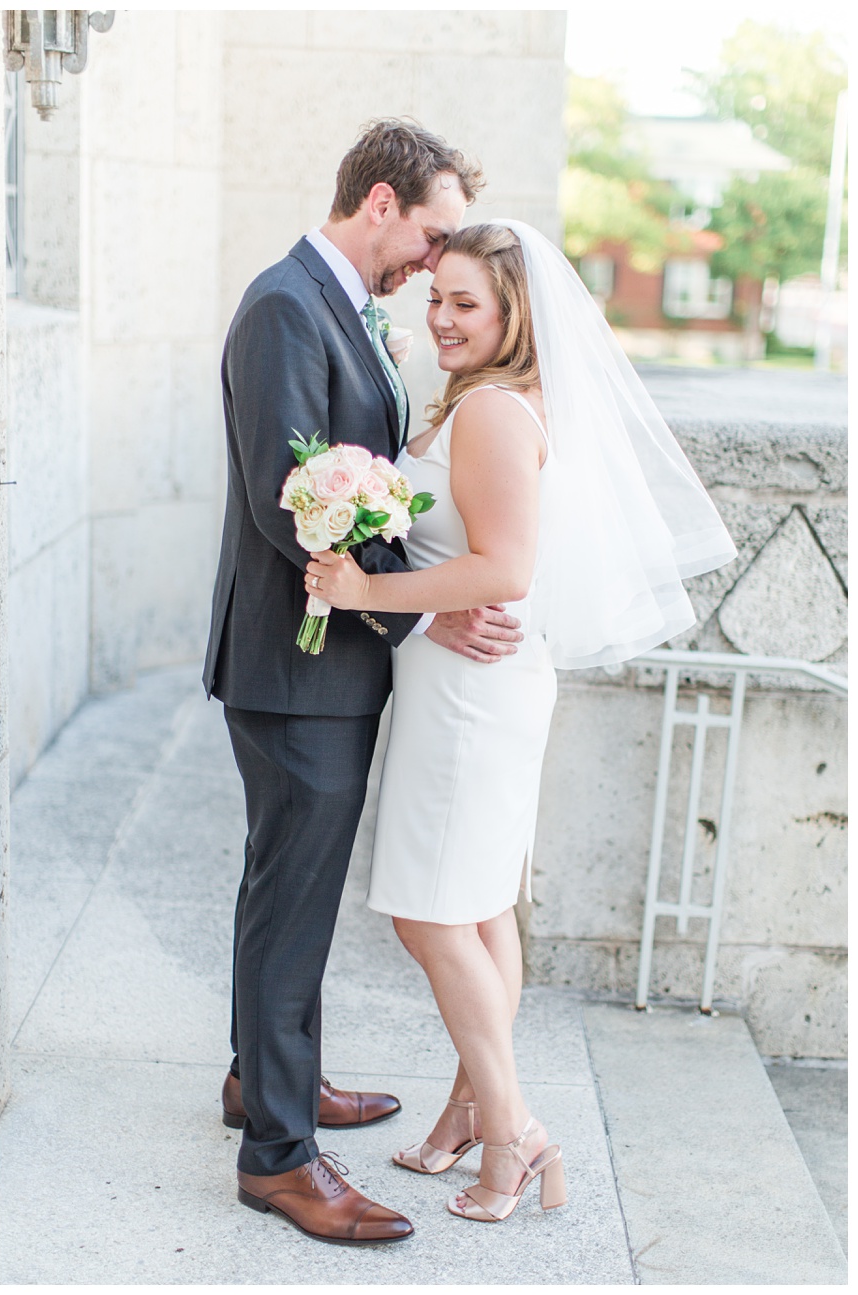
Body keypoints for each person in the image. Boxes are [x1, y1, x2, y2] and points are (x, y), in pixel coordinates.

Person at [305, 220, 738, 1224]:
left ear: (515, 316)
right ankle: (468, 1107)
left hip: (468, 692)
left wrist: (365, 579)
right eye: (438, 296)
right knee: (482, 906)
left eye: (468, 303)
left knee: (431, 912)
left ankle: (513, 1130)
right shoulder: (485, 397)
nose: (444, 317)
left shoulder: (497, 410)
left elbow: (505, 568)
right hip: (469, 682)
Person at [201, 120, 531, 1246]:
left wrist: (420, 592)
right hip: (294, 665)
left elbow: (366, 484)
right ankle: (281, 1159)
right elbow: (290, 499)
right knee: (292, 904)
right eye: (431, 234)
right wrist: (426, 600)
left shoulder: (345, 309)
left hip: (330, 660)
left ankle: (263, 1082)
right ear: (380, 202)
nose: (432, 266)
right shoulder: (288, 305)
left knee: (281, 889)